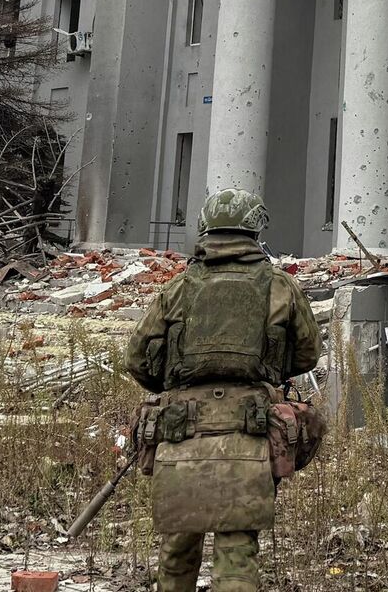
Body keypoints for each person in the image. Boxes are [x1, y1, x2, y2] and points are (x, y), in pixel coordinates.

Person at [124, 188, 322, 592]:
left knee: (177, 551)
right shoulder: (281, 287)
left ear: (205, 229)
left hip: (181, 430)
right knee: (237, 554)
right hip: (250, 428)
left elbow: (138, 360)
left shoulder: (177, 289)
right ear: (255, 228)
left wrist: (176, 387)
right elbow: (307, 355)